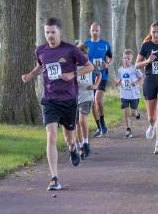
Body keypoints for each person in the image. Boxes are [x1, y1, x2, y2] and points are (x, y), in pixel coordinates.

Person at [22, 17, 93, 191]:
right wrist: (31, 75)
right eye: (47, 32)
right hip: (49, 100)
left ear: (59, 32)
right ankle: (54, 177)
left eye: (53, 32)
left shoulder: (71, 50)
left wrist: (72, 75)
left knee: (69, 138)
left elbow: (89, 66)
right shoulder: (40, 50)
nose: (50, 36)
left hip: (68, 100)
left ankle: (72, 149)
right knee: (51, 135)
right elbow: (41, 66)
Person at [135, 22, 158, 154]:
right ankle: (151, 125)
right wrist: (147, 61)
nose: (156, 34)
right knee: (151, 116)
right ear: (151, 33)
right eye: (153, 32)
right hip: (150, 80)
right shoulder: (146, 45)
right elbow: (137, 65)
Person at [84, 22, 113, 137]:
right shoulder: (86, 44)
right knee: (92, 104)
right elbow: (80, 56)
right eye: (93, 30)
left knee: (98, 100)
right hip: (89, 77)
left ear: (99, 31)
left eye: (97, 30)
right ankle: (99, 127)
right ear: (90, 31)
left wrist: (107, 64)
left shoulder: (105, 44)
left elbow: (110, 57)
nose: (95, 32)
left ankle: (103, 122)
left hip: (102, 76)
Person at [75, 43, 102, 159]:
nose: (83, 58)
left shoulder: (89, 65)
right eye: (80, 55)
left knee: (82, 120)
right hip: (74, 97)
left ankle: (86, 143)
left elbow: (99, 74)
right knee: (76, 123)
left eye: (85, 55)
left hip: (87, 96)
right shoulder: (72, 66)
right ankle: (81, 146)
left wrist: (95, 85)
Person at [115, 49, 143, 138]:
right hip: (124, 95)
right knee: (126, 113)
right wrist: (117, 83)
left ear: (132, 59)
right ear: (122, 58)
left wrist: (136, 83)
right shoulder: (120, 70)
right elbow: (120, 80)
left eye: (128, 58)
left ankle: (137, 113)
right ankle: (128, 130)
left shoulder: (135, 68)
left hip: (134, 95)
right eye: (125, 58)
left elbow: (141, 78)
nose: (126, 60)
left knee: (133, 113)